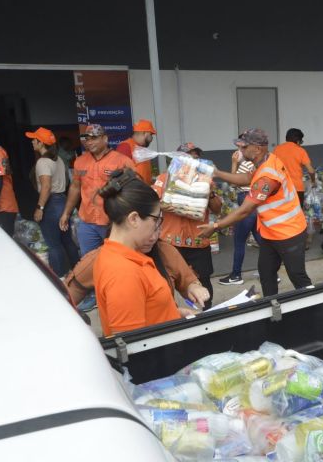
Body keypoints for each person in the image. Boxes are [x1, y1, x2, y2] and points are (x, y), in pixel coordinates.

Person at [197, 128, 311, 297]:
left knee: (298, 277)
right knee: (266, 274)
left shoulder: (267, 177)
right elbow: (247, 179)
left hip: (289, 233)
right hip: (270, 234)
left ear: (257, 149)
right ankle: (272, 308)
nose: (240, 151)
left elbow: (245, 210)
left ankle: (314, 309)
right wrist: (218, 173)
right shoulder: (265, 161)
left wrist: (215, 225)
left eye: (243, 147)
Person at [94, 169, 202, 336]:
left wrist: (174, 315)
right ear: (134, 219)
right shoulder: (123, 272)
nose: (158, 227)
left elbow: (146, 313)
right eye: (155, 219)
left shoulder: (128, 257)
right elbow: (134, 346)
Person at [152, 142, 221, 309]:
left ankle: (207, 313)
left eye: (196, 157)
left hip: (198, 241)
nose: (193, 161)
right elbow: (152, 204)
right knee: (166, 282)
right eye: (188, 157)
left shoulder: (206, 180)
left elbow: (217, 209)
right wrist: (175, 197)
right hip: (170, 242)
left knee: (203, 280)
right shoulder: (164, 178)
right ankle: (171, 314)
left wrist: (209, 191)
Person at [64, 239, 209, 310]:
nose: (153, 236)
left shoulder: (164, 250)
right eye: (149, 224)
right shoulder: (98, 260)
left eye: (158, 224)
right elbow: (65, 299)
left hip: (168, 335)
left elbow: (187, 279)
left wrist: (194, 287)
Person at [60, 124, 135, 256]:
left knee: (116, 259)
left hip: (114, 222)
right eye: (87, 139)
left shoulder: (122, 161)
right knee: (88, 261)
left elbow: (134, 191)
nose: (89, 142)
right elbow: (75, 187)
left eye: (94, 138)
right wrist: (66, 213)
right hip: (87, 222)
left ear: (105, 139)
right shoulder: (80, 161)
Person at [28, 126, 79, 277]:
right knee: (66, 240)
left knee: (53, 244)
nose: (32, 142)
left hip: (51, 204)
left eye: (34, 140)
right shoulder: (59, 160)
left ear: (41, 143)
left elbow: (46, 186)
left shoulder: (43, 162)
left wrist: (40, 207)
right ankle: (77, 272)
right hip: (62, 201)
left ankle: (60, 277)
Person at [218, 135, 261, 286]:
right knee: (261, 240)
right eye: (238, 147)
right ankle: (270, 271)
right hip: (253, 204)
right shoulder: (252, 164)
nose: (238, 151)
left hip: (246, 201)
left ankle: (236, 275)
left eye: (242, 148)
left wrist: (234, 163)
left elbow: (233, 182)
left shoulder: (247, 165)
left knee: (239, 240)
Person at [273, 128, 316, 204]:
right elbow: (311, 171)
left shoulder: (277, 149)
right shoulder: (301, 151)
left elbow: (272, 167)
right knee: (297, 214)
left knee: (283, 213)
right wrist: (313, 181)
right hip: (296, 189)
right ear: (298, 141)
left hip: (280, 188)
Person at [116, 119, 157, 184]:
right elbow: (119, 173)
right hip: (133, 191)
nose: (151, 139)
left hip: (144, 190)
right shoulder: (126, 146)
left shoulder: (142, 148)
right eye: (151, 135)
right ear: (145, 133)